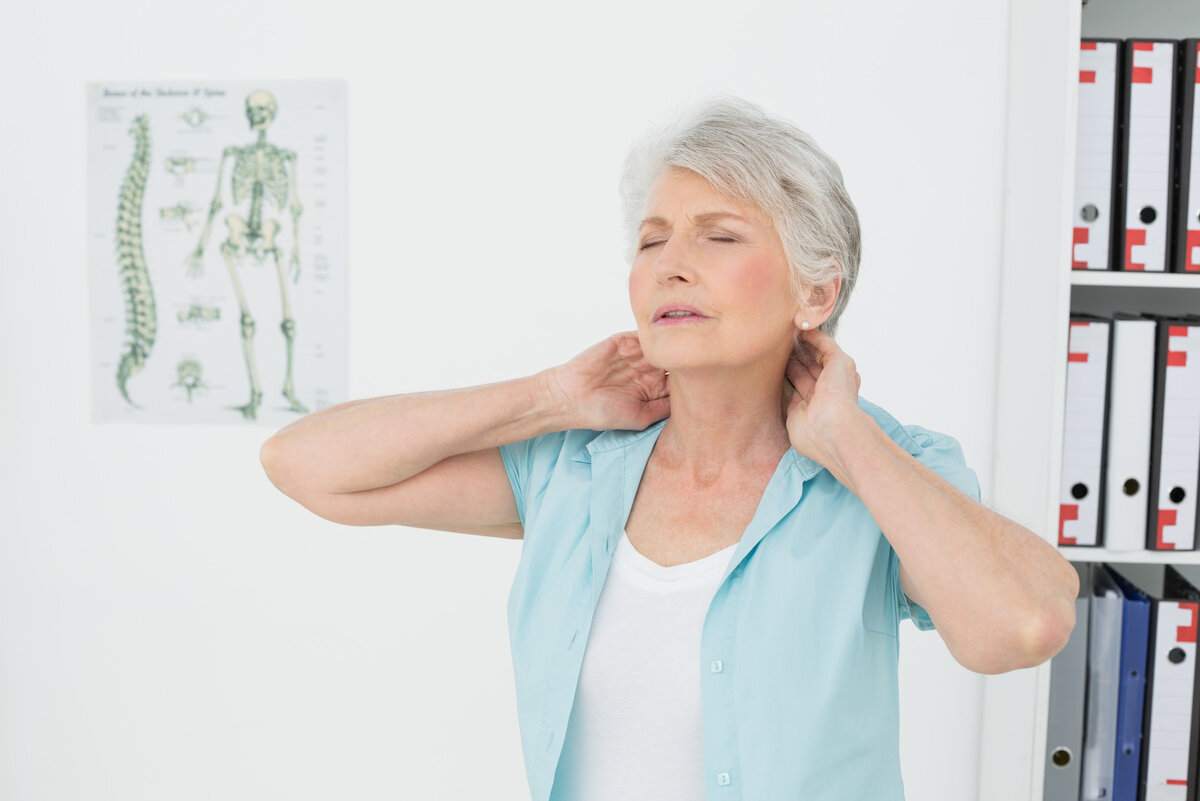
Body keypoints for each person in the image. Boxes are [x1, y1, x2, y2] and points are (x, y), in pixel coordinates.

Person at [259, 95, 1079, 801]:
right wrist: (550, 397)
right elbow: (306, 466)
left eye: (719, 237)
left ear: (816, 291)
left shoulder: (885, 469)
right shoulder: (570, 467)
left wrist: (848, 439)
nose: (671, 266)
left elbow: (1025, 624)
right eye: (652, 241)